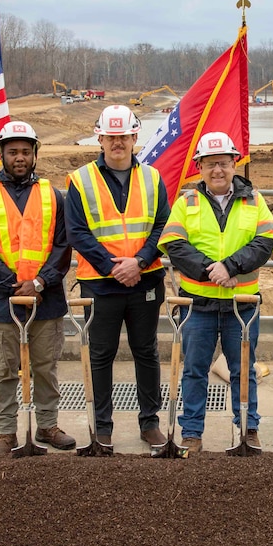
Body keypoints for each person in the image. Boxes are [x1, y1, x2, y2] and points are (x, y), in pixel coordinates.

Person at [157, 132, 273, 454]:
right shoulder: (187, 203)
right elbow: (174, 244)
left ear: (234, 164)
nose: (218, 170)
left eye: (224, 163)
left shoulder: (254, 200)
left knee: (244, 371)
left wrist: (230, 267)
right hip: (198, 305)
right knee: (194, 370)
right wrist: (211, 269)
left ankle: (248, 430)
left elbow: (265, 243)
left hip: (242, 304)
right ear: (199, 166)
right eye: (210, 164)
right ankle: (192, 434)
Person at [65, 104, 171, 448]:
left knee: (146, 351)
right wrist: (113, 267)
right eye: (110, 137)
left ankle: (150, 422)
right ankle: (102, 427)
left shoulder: (153, 178)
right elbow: (77, 232)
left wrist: (138, 262)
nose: (117, 143)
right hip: (100, 285)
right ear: (100, 139)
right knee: (100, 355)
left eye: (123, 136)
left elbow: (163, 226)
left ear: (134, 137)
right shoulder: (81, 180)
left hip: (145, 280)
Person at [0, 120, 75, 456]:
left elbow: (63, 246)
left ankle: (47, 425)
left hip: (47, 298)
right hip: (4, 301)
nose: (19, 157)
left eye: (25, 152)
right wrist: (16, 287)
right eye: (13, 151)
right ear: (2, 154)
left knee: (45, 366)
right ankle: (6, 433)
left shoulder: (52, 196)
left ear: (34, 155)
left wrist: (40, 282)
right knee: (4, 370)